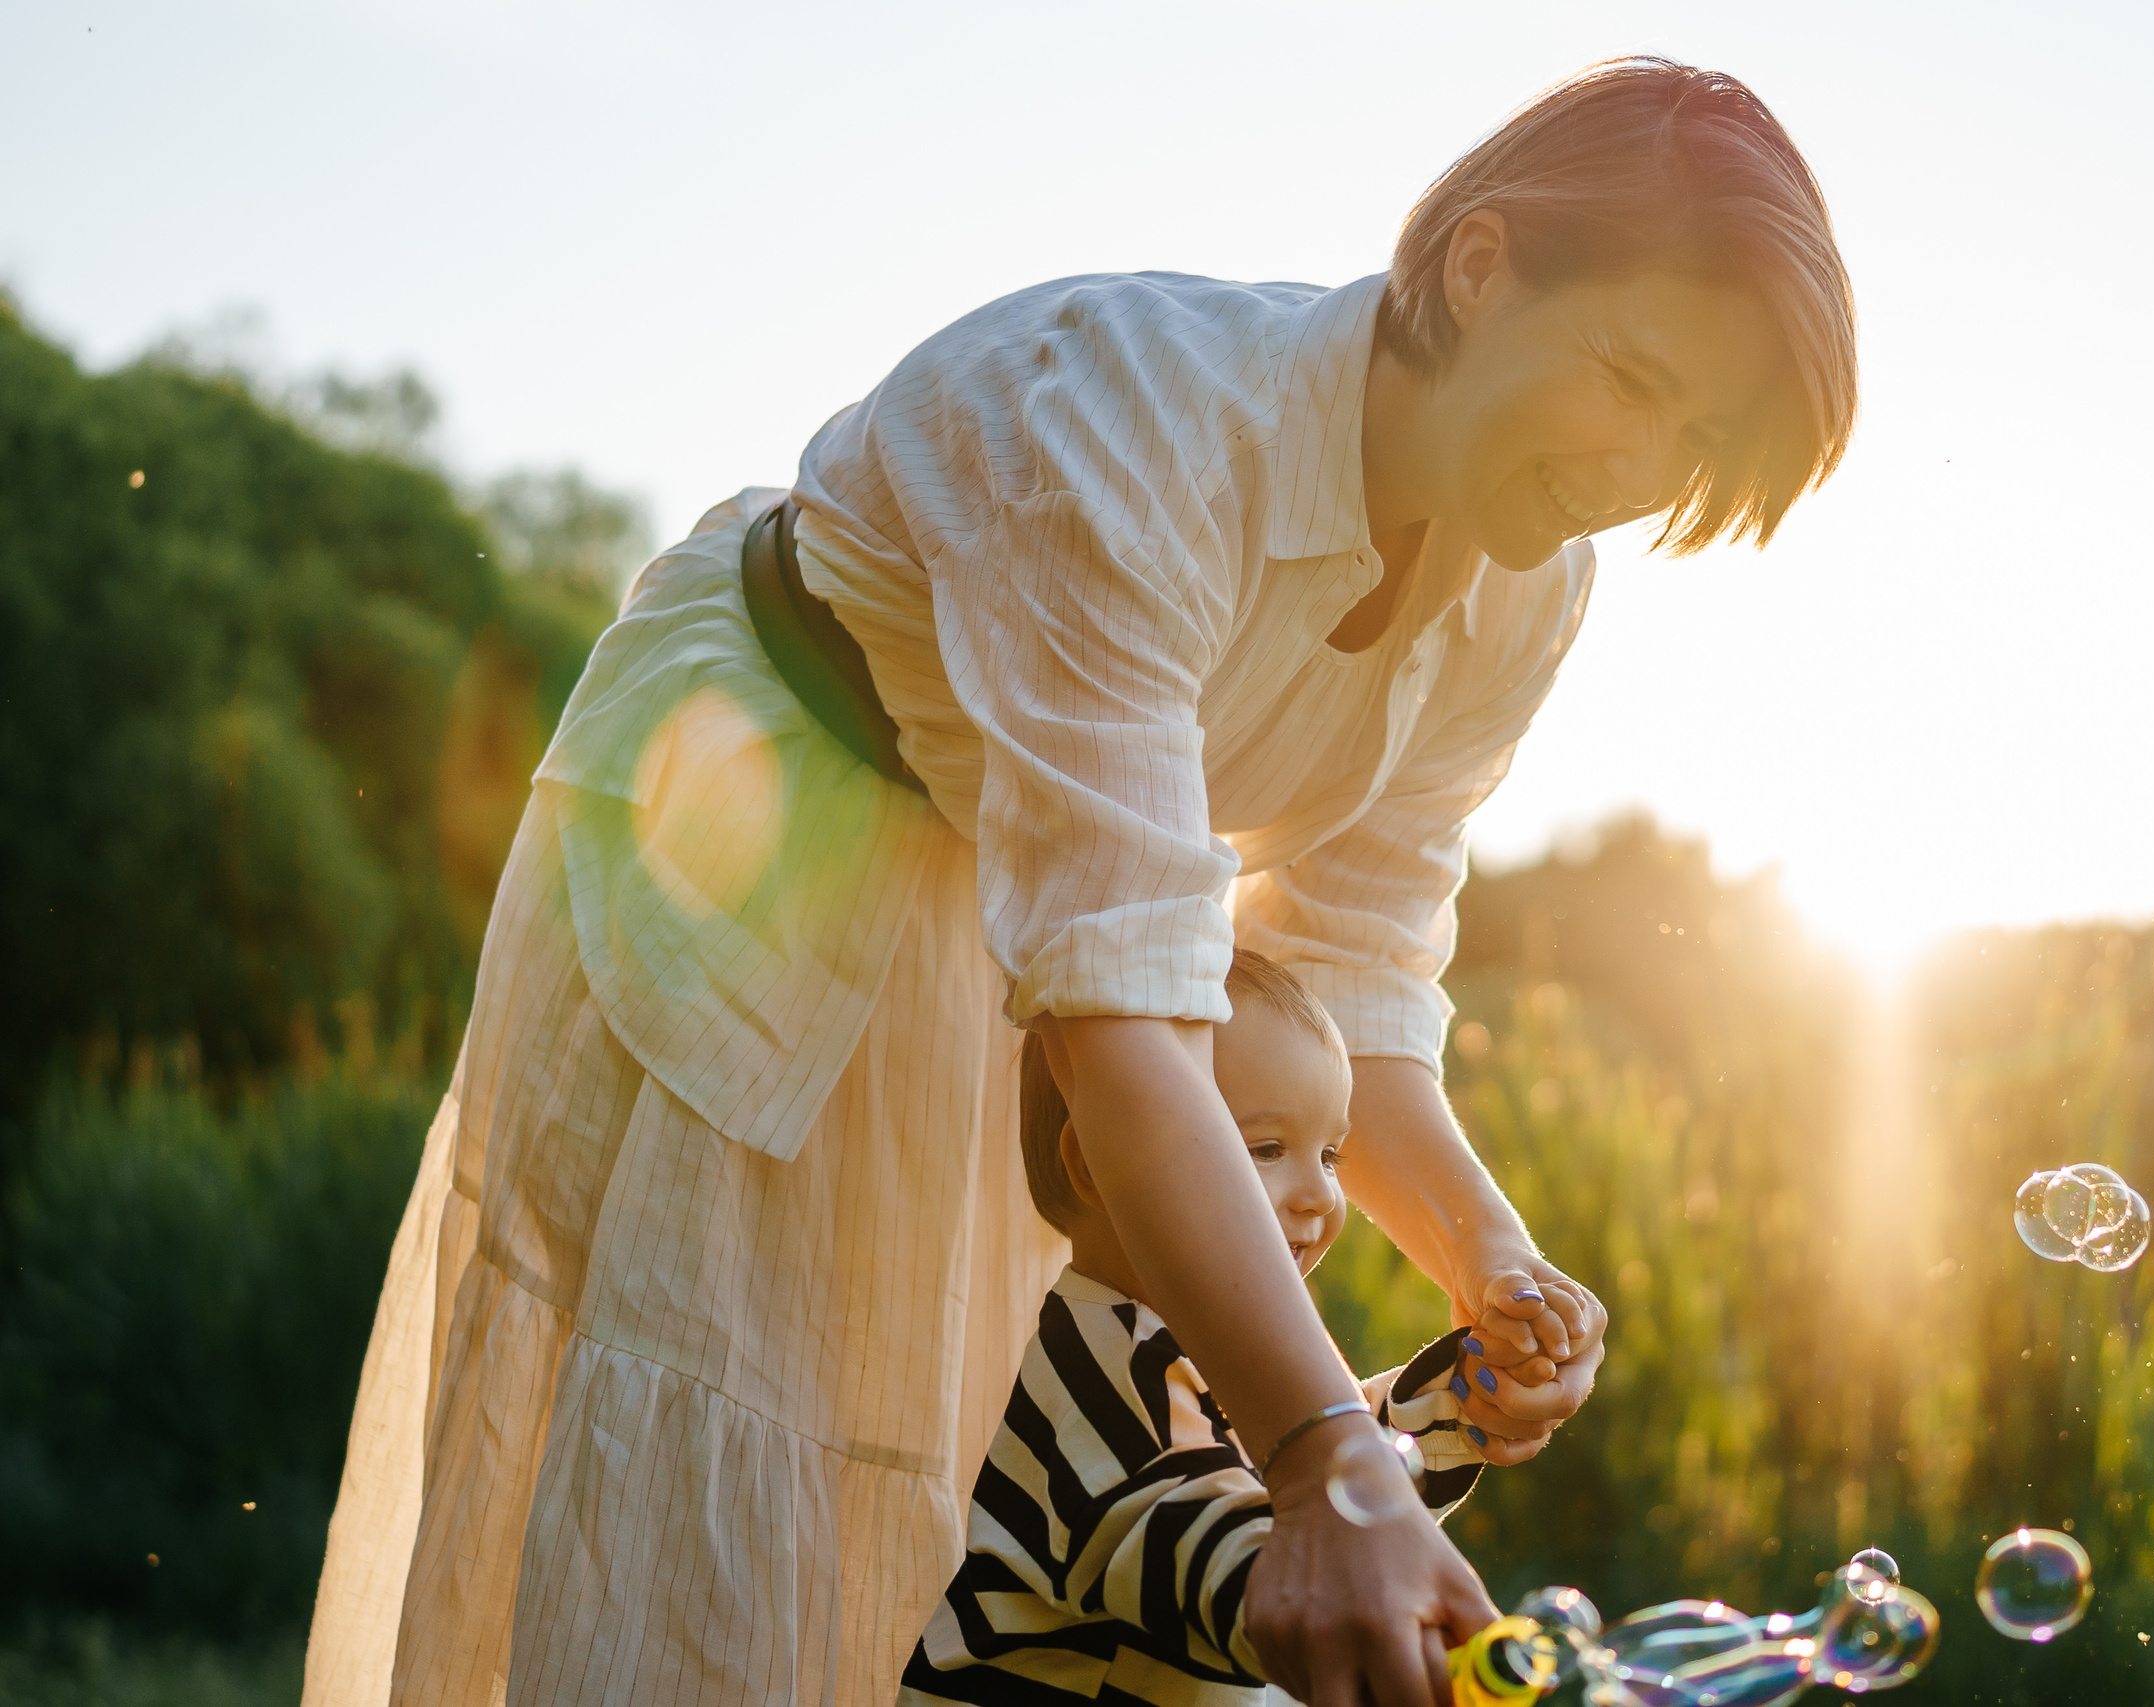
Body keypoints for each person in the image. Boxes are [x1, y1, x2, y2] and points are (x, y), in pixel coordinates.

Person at [303, 54, 1857, 1707]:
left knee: (962, 1471)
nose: (1638, 470)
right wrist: (1327, 1459)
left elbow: (1347, 978)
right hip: (755, 819)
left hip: (1019, 911)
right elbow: (1126, 1013)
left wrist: (1494, 1259)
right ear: (1481, 267)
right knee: (736, 1456)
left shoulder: (1526, 591)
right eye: (1631, 377)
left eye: (1691, 439)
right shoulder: (1136, 413)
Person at [902, 951, 1493, 1707]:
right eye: (1267, 1148)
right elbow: (1216, 1550)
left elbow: (1349, 1488)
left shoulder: (1232, 1352)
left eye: (1331, 1153)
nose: (1319, 1193)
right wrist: (1366, 1611)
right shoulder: (1102, 1372)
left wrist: (1461, 1402)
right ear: (1100, 1165)